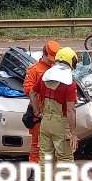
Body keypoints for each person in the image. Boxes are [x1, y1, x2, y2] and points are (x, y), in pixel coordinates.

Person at [30, 47, 84, 181]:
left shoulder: (45, 77)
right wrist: (73, 133)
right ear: (70, 61)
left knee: (45, 159)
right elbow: (71, 110)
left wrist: (38, 112)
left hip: (45, 123)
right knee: (65, 160)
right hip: (61, 125)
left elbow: (32, 94)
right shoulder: (69, 83)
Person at [22, 40, 61, 168]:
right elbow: (28, 89)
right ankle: (34, 169)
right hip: (38, 112)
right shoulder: (34, 70)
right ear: (44, 54)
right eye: (50, 58)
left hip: (54, 112)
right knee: (36, 144)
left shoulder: (58, 69)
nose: (51, 61)